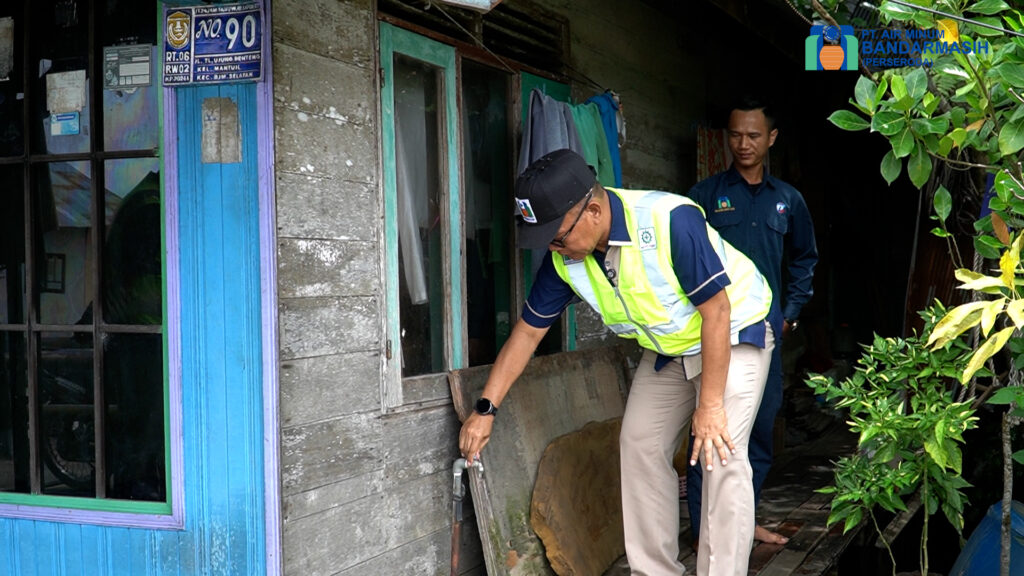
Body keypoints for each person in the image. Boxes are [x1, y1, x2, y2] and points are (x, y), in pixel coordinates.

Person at [459, 148, 778, 575]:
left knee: (720, 454)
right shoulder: (566, 259)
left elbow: (716, 312)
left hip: (734, 331)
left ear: (592, 210)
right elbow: (528, 333)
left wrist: (710, 406)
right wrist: (486, 409)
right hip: (671, 348)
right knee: (639, 444)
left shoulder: (669, 220)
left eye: (557, 236)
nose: (553, 248)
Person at [686, 97, 818, 546]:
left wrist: (791, 316)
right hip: (714, 334)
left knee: (759, 430)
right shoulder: (704, 196)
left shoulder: (789, 201)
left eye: (753, 135)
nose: (743, 144)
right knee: (708, 430)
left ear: (771, 139)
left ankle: (744, 522)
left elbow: (804, 259)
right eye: (736, 135)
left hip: (766, 335)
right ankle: (705, 529)